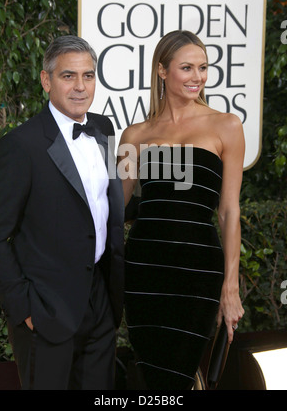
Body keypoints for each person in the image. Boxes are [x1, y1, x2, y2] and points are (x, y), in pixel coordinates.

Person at [0, 35, 124, 390]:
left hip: (100, 303)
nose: (81, 87)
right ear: (46, 80)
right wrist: (24, 308)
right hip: (46, 310)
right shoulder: (20, 146)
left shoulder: (103, 129)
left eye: (88, 76)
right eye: (69, 76)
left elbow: (102, 206)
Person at [118, 30, 245, 390]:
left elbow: (228, 211)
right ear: (162, 70)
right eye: (186, 68)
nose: (198, 77)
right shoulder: (134, 136)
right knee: (155, 379)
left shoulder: (226, 126)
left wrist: (230, 286)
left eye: (203, 68)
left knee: (180, 374)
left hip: (197, 272)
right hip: (144, 271)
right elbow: (115, 206)